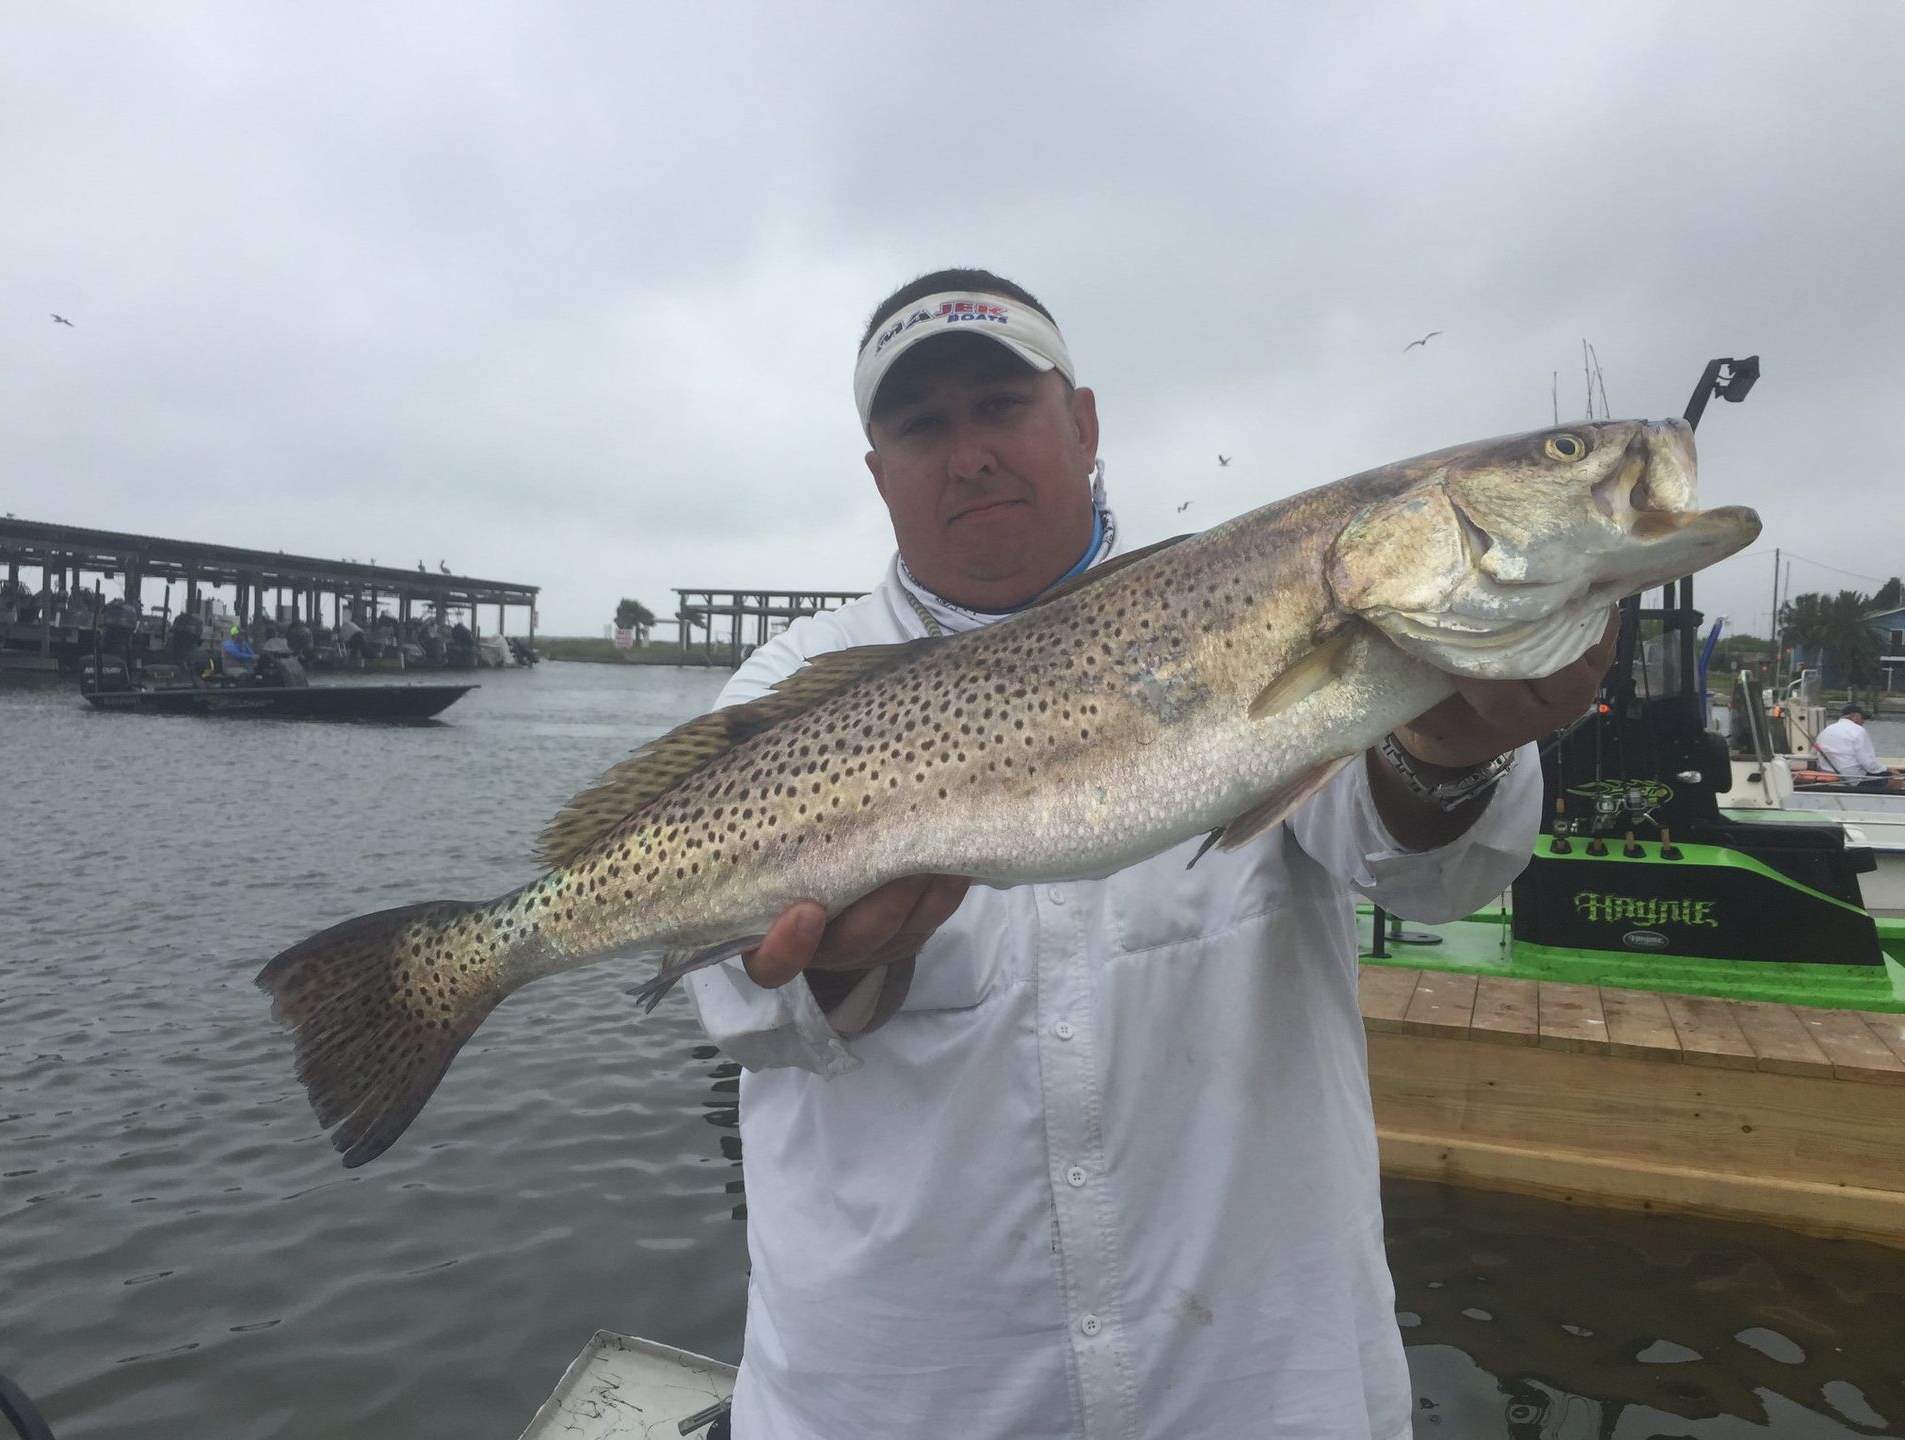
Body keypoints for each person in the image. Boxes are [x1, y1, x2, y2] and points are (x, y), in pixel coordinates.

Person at [683, 269, 1617, 1440]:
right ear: (878, 473)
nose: (967, 453)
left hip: (1257, 1390)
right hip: (901, 1399)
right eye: (923, 426)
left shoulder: (1260, 595)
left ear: (1082, 424)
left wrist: (1445, 755)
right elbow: (733, 1006)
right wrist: (830, 968)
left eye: (1001, 406)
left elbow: (1432, 872)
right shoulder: (789, 693)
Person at [1813, 702, 1901, 792]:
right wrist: (1888, 770)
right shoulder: (1858, 731)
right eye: (1862, 718)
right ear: (1854, 716)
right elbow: (1869, 763)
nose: (1863, 722)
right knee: (1893, 778)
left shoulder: (1826, 731)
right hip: (1853, 779)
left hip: (1828, 775)